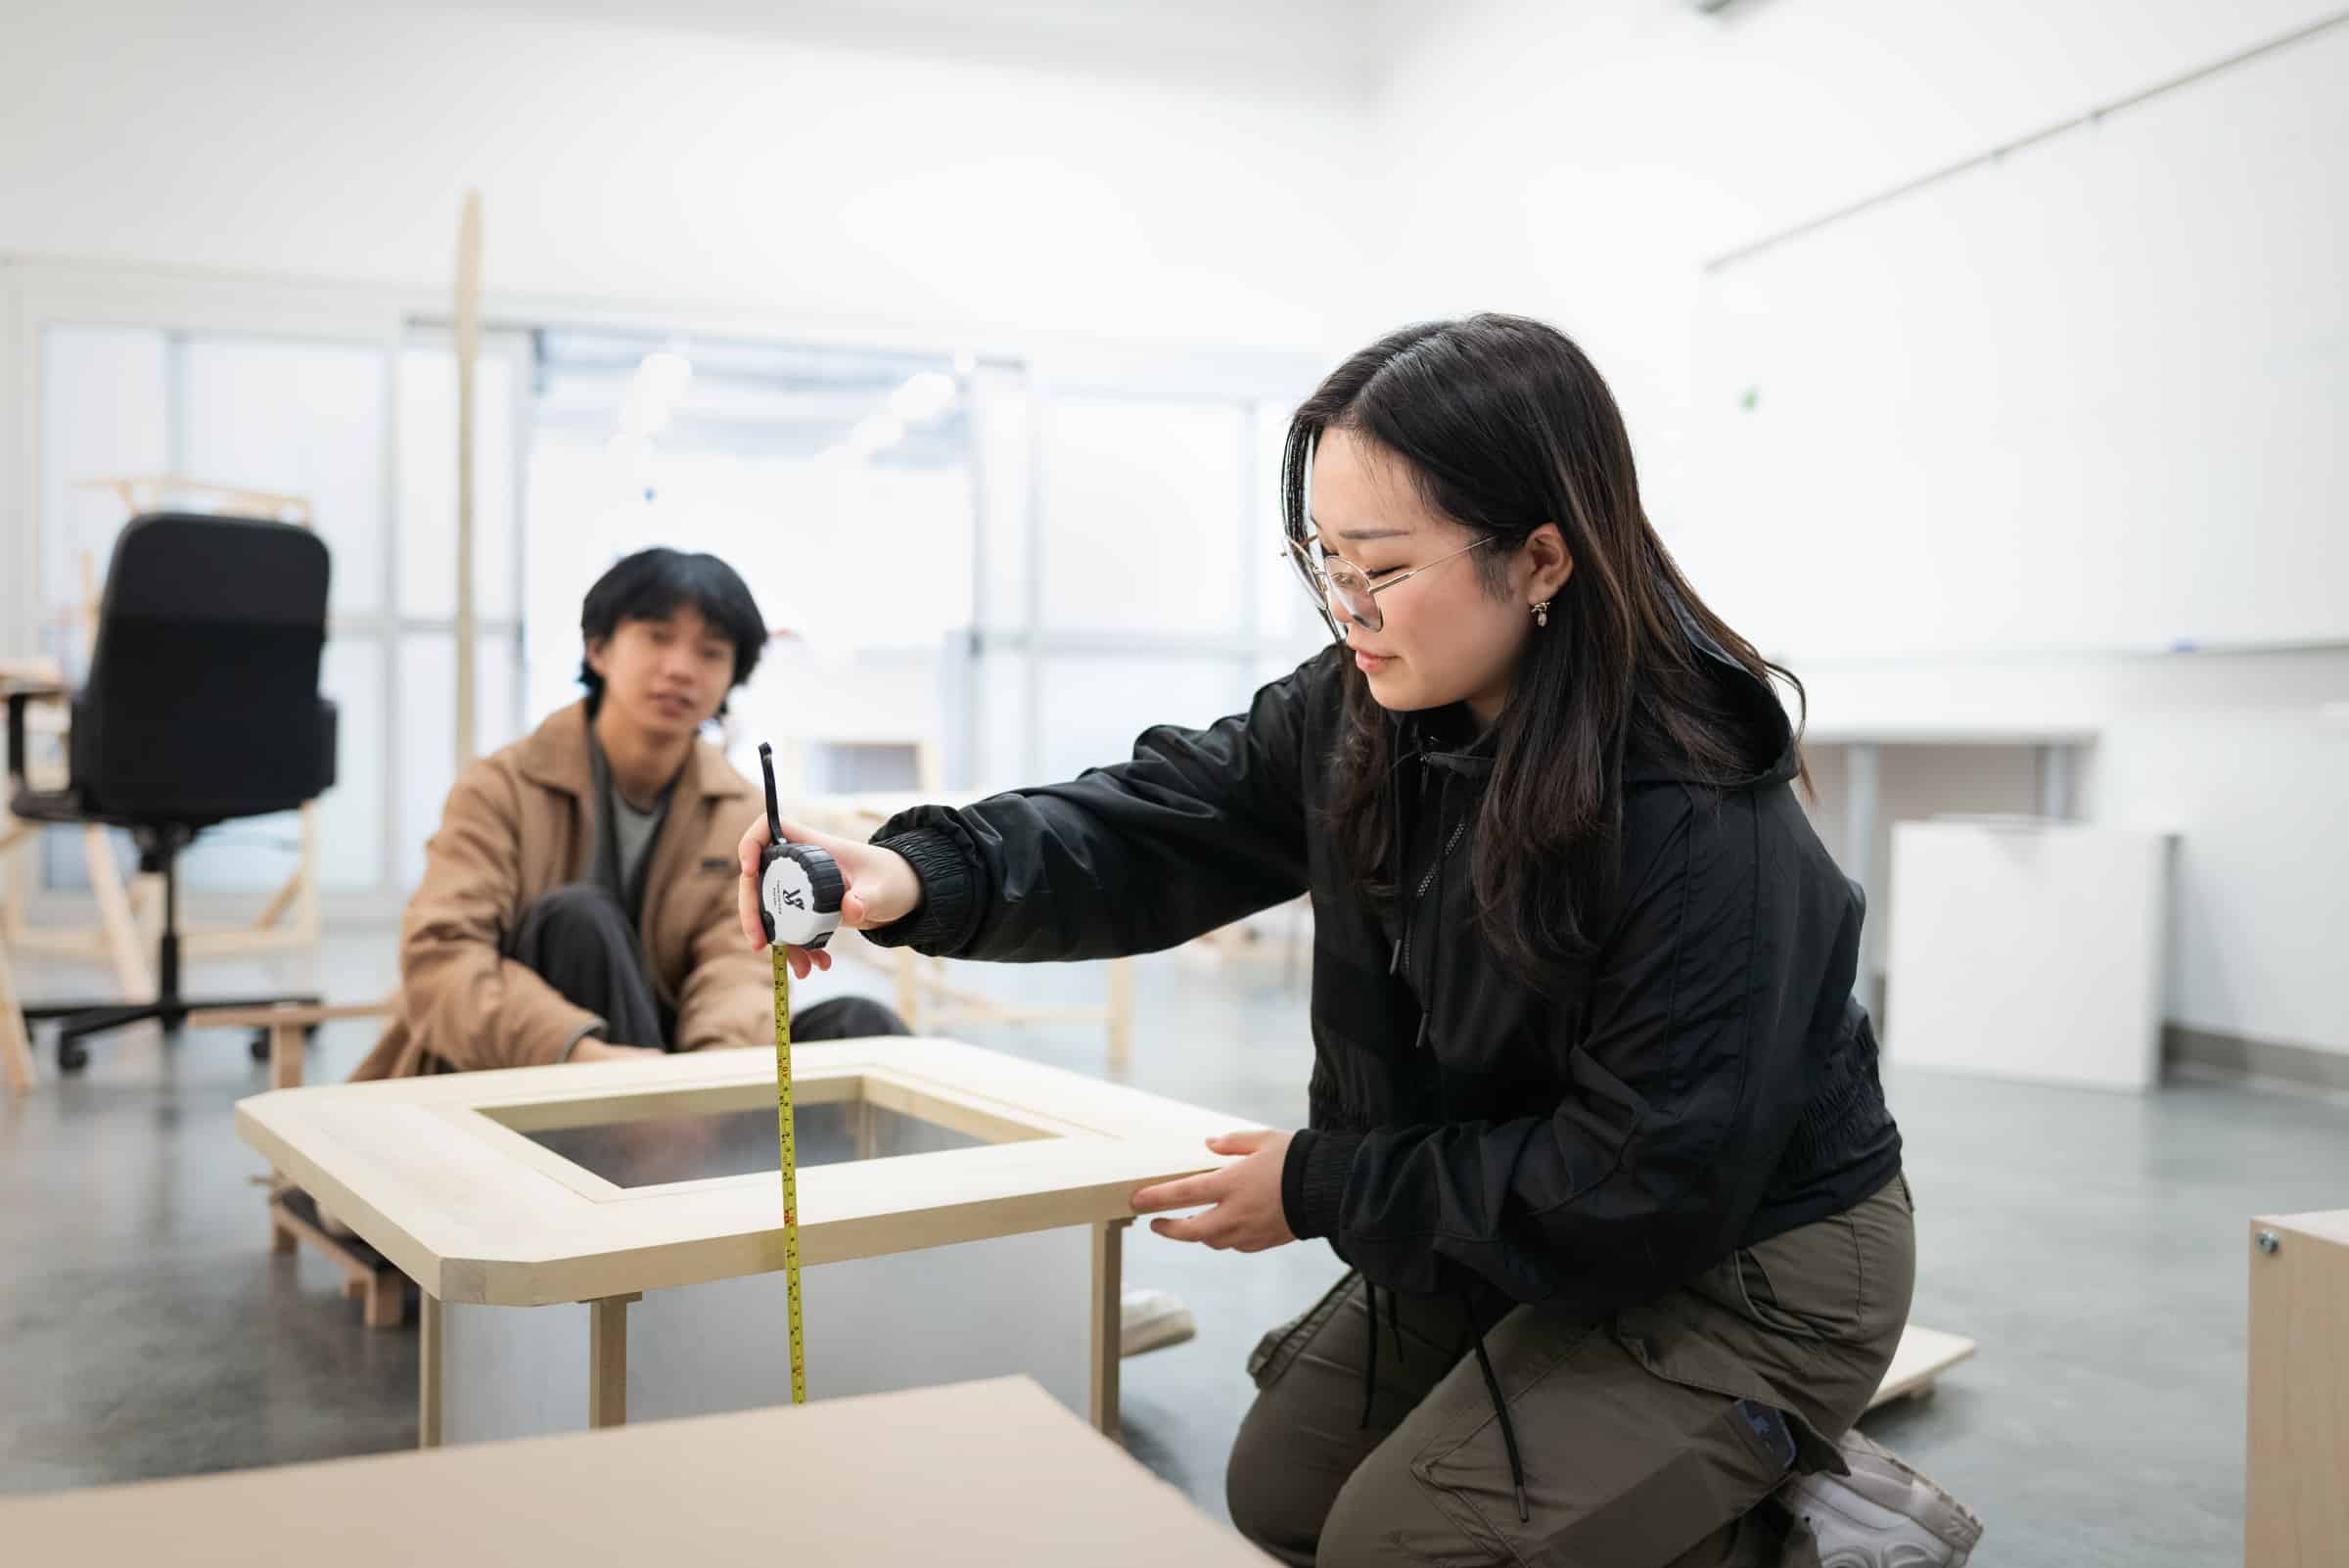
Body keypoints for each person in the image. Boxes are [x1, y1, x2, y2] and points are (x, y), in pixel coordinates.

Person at [738, 316, 1944, 1566]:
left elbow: (1642, 1183)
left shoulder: (1694, 821)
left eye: (1383, 567)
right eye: (1324, 562)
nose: (1348, 610)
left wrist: (1320, 1186)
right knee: (1286, 1491)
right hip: (1520, 1198)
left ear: (1541, 559)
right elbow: (1157, 821)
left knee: (1398, 1546)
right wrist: (912, 870)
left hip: (1744, 1252)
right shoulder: (1366, 710)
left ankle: (1805, 1534)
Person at [353, 546, 904, 1083]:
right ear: (598, 649)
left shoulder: (741, 811)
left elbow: (735, 967)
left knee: (861, 1025)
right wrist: (581, 1057)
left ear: (732, 677)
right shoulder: (500, 788)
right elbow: (442, 960)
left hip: (674, 1063)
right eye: (657, 638)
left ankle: (686, 1142)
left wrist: (708, 1080)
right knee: (577, 919)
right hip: (529, 1067)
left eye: (711, 652)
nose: (681, 669)